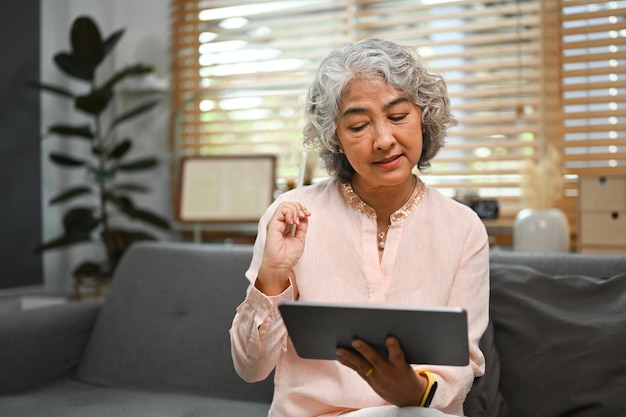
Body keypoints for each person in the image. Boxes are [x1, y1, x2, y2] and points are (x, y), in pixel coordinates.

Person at [229, 38, 489, 417]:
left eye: (398, 117)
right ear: (334, 136)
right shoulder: (291, 218)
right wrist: (273, 276)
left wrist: (413, 390)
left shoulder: (463, 227)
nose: (384, 140)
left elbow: (460, 366)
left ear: (425, 115)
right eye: (358, 125)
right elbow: (251, 369)